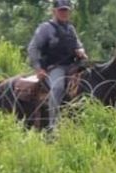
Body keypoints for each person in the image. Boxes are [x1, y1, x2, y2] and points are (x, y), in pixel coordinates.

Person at [26, 0, 88, 130]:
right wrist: (38, 68)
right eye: (61, 10)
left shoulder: (71, 28)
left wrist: (81, 51)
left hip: (73, 66)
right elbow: (33, 48)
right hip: (55, 67)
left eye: (66, 10)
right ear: (54, 11)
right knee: (58, 87)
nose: (64, 13)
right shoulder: (45, 28)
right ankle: (53, 124)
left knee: (89, 81)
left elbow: (78, 45)